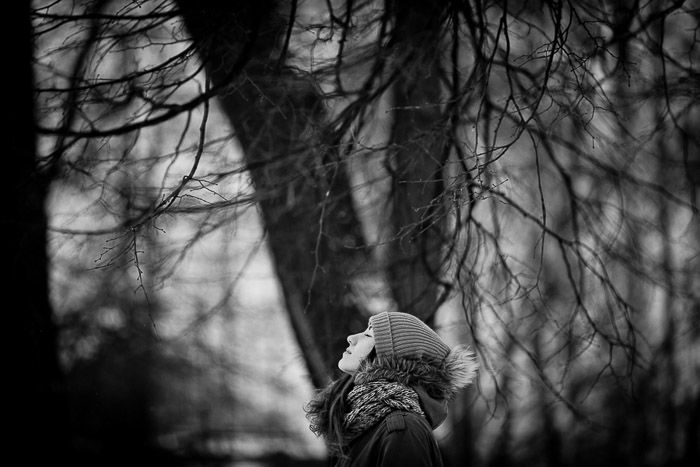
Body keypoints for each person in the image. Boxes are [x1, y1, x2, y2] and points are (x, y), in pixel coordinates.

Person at [306, 311, 478, 466]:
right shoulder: (359, 424)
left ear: (387, 359)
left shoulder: (402, 429)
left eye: (368, 335)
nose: (351, 337)